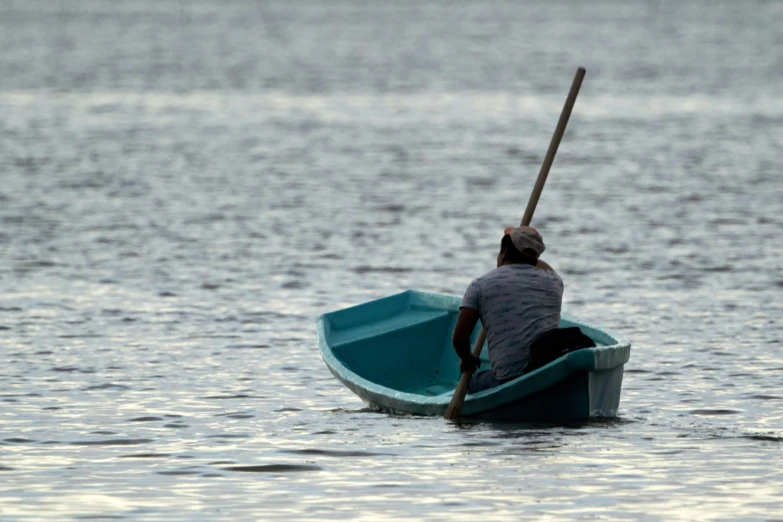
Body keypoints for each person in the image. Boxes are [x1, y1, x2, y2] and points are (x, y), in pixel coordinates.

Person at [451, 226, 564, 393]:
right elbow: (540, 265)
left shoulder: (480, 285)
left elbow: (459, 339)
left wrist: (467, 358)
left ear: (503, 252)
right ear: (536, 256)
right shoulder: (554, 281)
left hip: (508, 378)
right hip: (548, 370)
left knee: (468, 383)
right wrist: (529, 250)